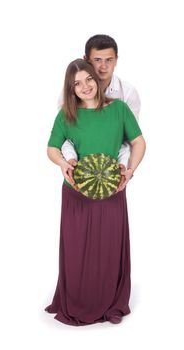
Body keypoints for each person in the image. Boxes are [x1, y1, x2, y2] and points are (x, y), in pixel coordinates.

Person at [45, 58, 146, 326]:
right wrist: (64, 163)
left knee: (109, 249)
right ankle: (78, 300)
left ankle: (109, 301)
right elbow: (52, 148)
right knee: (77, 250)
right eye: (77, 84)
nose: (85, 86)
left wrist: (130, 171)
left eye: (88, 79)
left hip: (112, 189)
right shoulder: (67, 115)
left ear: (96, 78)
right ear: (71, 89)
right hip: (76, 191)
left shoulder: (120, 109)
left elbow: (138, 142)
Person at [59, 35, 141, 190]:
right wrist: (69, 162)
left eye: (109, 60)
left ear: (116, 60)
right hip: (79, 176)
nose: (103, 66)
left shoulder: (128, 94)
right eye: (97, 60)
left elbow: (129, 139)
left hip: (112, 177)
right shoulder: (68, 94)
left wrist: (125, 168)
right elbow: (66, 137)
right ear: (86, 60)